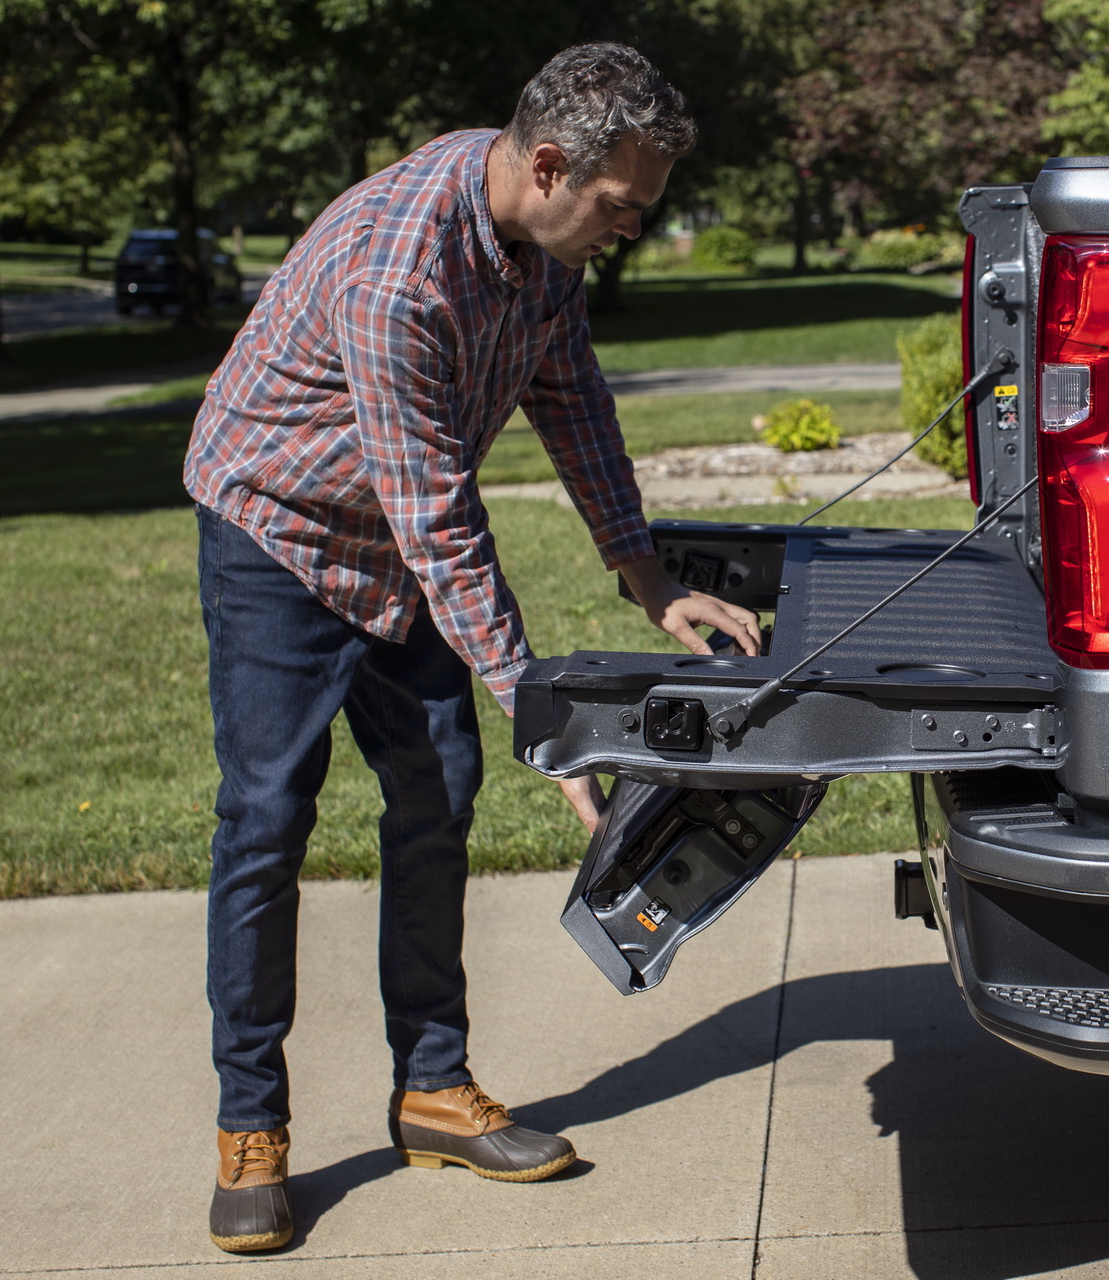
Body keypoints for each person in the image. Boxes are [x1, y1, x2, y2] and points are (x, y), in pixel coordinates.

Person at [182, 43, 759, 1254]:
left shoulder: (540, 251)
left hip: (395, 536)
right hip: (279, 533)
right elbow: (438, 518)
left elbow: (572, 398)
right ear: (548, 165)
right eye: (622, 205)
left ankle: (432, 1087)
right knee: (267, 818)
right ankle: (250, 1122)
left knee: (438, 794)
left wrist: (646, 572)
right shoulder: (400, 271)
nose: (631, 229)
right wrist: (543, 715)